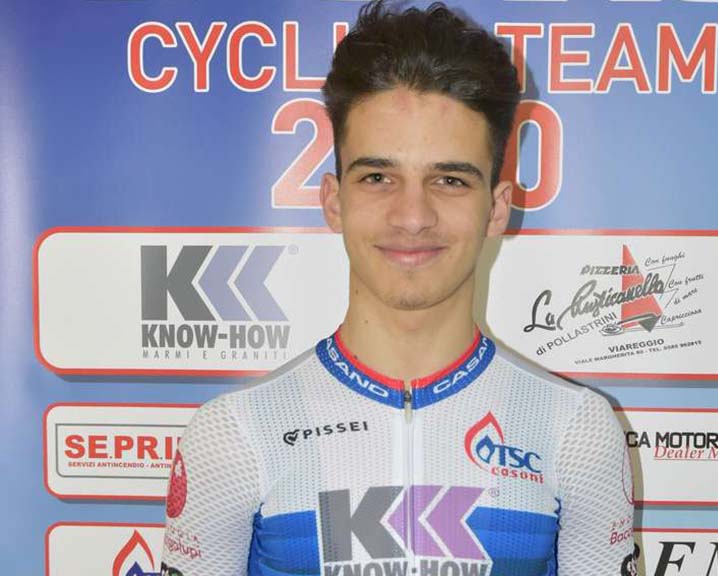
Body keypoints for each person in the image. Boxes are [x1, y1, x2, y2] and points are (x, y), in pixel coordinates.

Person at [160, 2, 636, 575]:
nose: (412, 216)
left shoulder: (574, 430)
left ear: (497, 208)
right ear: (334, 200)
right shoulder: (235, 433)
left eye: (450, 179)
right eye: (378, 177)